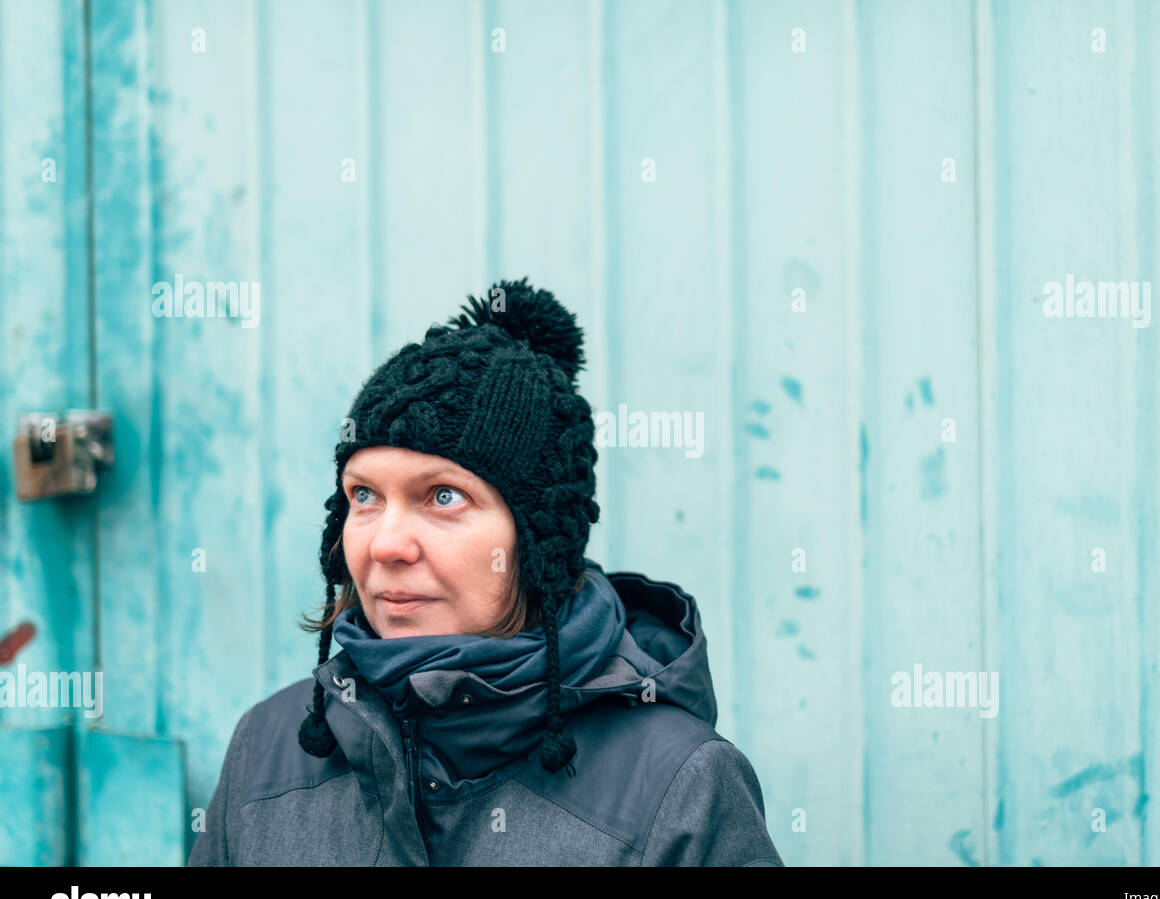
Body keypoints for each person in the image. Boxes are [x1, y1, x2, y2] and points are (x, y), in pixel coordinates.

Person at [188, 277, 783, 866]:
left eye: (443, 496)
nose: (386, 544)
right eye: (364, 495)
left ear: (539, 546)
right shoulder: (268, 745)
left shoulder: (681, 787)